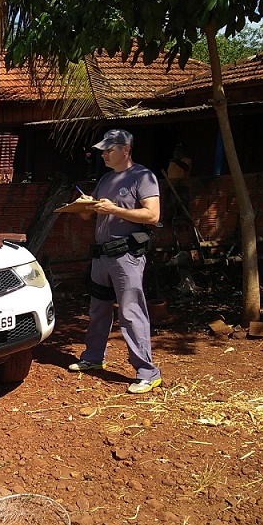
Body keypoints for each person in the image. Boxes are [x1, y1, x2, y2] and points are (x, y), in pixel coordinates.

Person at [68, 129, 162, 394]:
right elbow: (91, 216)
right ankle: (93, 358)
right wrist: (85, 206)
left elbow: (152, 215)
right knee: (98, 309)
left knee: (131, 313)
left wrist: (114, 209)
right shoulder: (106, 178)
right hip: (102, 256)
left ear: (126, 150)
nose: (104, 154)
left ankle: (147, 373)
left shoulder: (143, 177)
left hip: (126, 257)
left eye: (109, 150)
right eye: (103, 150)